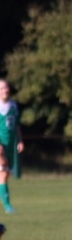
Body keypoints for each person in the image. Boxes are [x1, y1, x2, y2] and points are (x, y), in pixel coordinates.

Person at [0, 80, 24, 213]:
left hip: (10, 145)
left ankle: (6, 202)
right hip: (0, 145)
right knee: (3, 174)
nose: (5, 90)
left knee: (5, 174)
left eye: (6, 87)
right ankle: (7, 206)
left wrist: (20, 141)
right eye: (2, 88)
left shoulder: (13, 105)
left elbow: (16, 125)